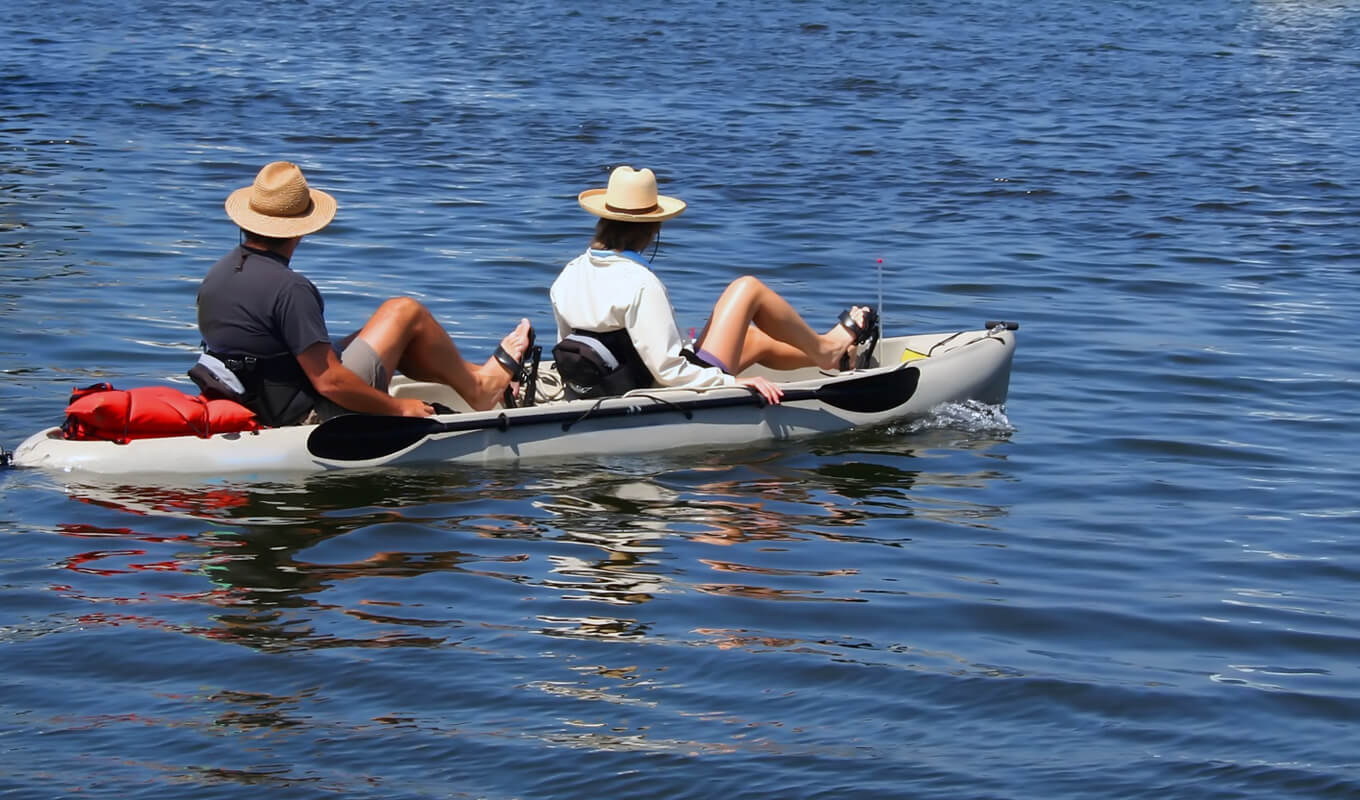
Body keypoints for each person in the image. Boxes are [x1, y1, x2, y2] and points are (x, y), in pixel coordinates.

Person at [195, 161, 531, 426]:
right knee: (404, 312)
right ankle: (481, 389)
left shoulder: (217, 275)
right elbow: (329, 382)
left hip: (258, 399)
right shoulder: (290, 288)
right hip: (307, 415)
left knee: (390, 332)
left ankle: (477, 377)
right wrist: (400, 408)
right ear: (299, 230)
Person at [549, 165, 876, 405]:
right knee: (747, 288)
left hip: (607, 383)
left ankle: (836, 361)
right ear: (652, 228)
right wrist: (733, 383)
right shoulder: (640, 283)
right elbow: (668, 371)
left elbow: (571, 343)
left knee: (754, 339)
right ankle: (826, 350)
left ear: (603, 220)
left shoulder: (569, 274)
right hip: (656, 389)